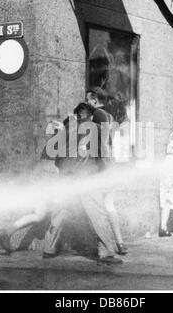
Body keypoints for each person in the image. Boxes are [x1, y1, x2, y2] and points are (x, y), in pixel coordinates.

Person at [42, 102, 122, 265]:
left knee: (60, 211)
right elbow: (103, 156)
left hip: (66, 176)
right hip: (87, 177)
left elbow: (53, 155)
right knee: (97, 214)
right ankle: (106, 253)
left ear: (76, 114)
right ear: (91, 115)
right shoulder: (96, 129)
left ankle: (48, 249)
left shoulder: (65, 129)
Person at [85, 88, 127, 255]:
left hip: (101, 166)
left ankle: (105, 247)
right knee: (109, 205)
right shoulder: (111, 115)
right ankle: (119, 243)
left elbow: (101, 143)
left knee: (97, 207)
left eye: (87, 100)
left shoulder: (98, 114)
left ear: (94, 100)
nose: (86, 104)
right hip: (111, 165)